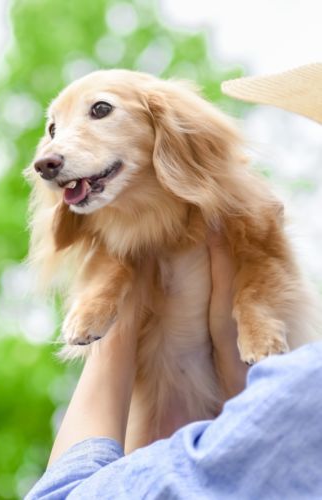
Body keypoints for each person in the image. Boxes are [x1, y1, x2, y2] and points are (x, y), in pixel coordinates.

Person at [26, 63, 322, 499]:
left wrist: (245, 319)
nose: (53, 148)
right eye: (53, 128)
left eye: (101, 110)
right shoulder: (108, 230)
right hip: (166, 429)